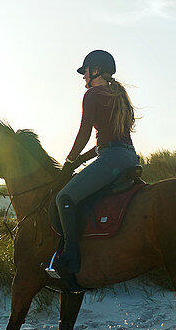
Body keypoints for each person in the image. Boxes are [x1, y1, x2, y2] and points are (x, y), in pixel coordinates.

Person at [48, 50, 140, 282]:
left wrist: (69, 162)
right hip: (128, 157)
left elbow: (84, 133)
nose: (83, 76)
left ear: (95, 70)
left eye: (85, 71)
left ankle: (71, 256)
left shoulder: (92, 95)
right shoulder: (119, 95)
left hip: (111, 159)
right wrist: (81, 160)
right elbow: (109, 139)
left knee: (64, 198)